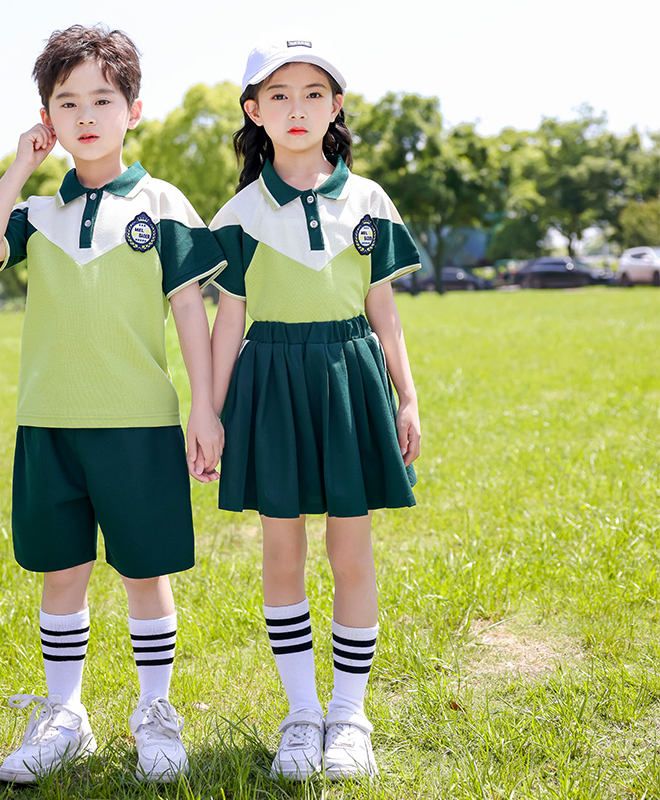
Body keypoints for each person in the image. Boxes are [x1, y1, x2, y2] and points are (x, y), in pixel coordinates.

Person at [0, 25, 225, 785]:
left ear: (133, 109)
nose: (85, 115)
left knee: (146, 574)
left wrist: (204, 410)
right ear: (46, 114)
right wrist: (20, 166)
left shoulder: (164, 203)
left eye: (102, 100)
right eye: (65, 101)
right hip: (49, 421)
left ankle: (154, 710)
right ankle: (64, 714)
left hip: (139, 423)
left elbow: (191, 318)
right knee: (63, 572)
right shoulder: (37, 213)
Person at [210, 40, 421, 781]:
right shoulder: (237, 214)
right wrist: (209, 411)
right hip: (268, 379)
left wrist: (407, 391)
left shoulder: (369, 201)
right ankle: (302, 716)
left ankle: (350, 717)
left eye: (312, 94)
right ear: (253, 111)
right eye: (278, 95)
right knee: (281, 549)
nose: (295, 109)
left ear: (335, 107)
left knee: (352, 548)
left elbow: (382, 305)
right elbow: (227, 320)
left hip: (348, 376)